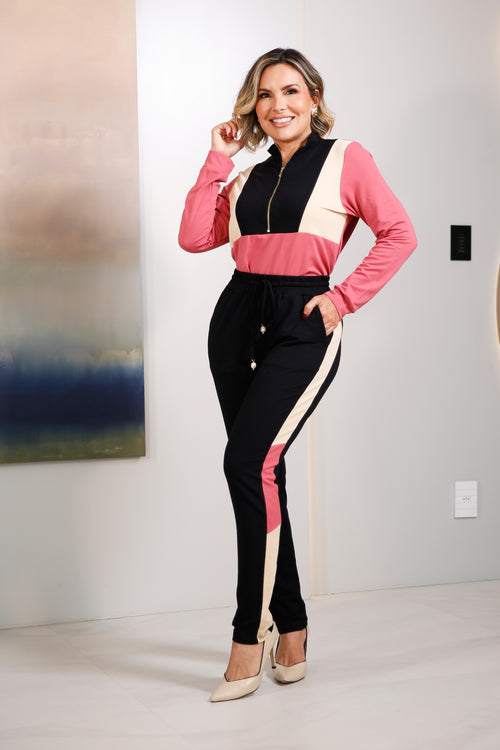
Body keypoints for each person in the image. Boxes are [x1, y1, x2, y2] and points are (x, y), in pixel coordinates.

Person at [178, 47, 417, 702]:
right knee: (262, 471)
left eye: (290, 91)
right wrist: (217, 159)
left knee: (244, 463)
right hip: (236, 322)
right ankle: (294, 625)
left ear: (313, 97)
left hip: (301, 325)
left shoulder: (347, 160)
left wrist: (342, 299)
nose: (277, 105)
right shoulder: (246, 176)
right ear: (252, 106)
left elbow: (399, 232)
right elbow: (195, 237)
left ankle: (246, 638)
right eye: (264, 94)